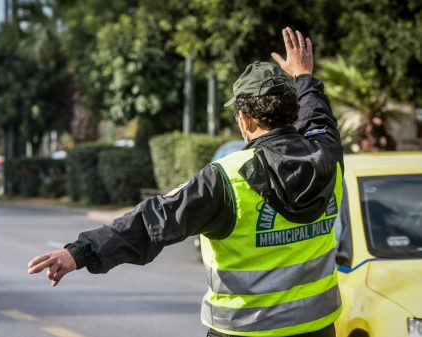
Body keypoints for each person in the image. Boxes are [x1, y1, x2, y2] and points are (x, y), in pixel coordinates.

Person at [28, 27, 344, 337]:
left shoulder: (227, 179)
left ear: (244, 119)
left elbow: (154, 220)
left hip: (245, 331)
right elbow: (318, 117)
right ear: (294, 112)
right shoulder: (328, 155)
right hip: (317, 327)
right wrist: (303, 75)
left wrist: (80, 252)